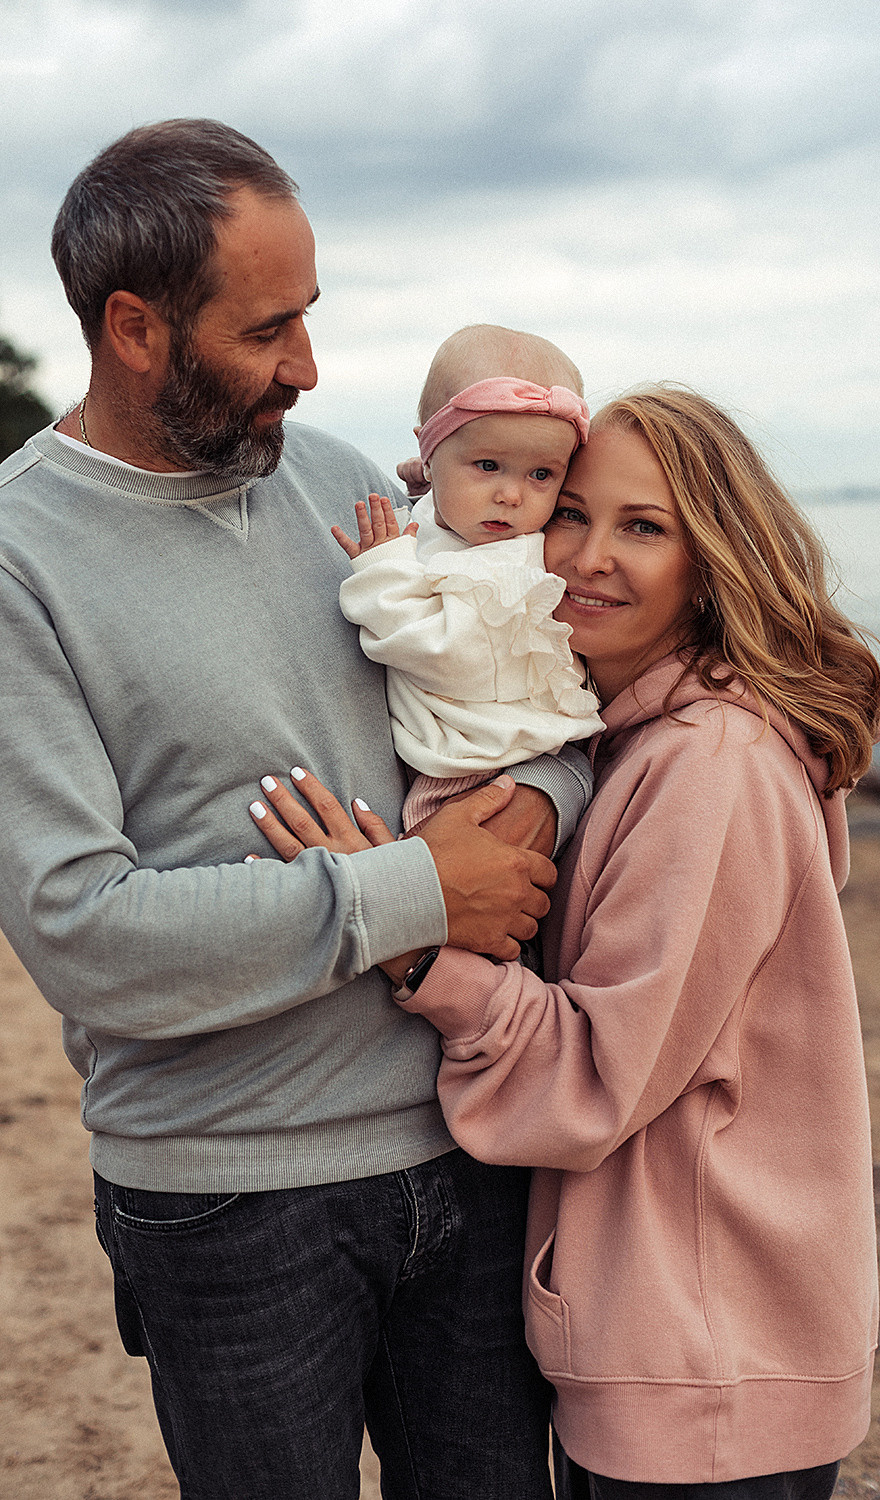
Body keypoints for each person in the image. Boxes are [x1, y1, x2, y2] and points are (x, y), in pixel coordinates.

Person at [0, 118, 596, 1499]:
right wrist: (417, 891)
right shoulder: (20, 558)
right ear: (135, 329)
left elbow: (537, 707)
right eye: (270, 332)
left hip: (471, 1142)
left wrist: (537, 808)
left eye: (311, 319)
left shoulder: (345, 487)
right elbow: (82, 932)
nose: (309, 370)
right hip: (224, 1203)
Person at [256, 386, 880, 1499]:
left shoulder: (710, 766)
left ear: (715, 559)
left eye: (643, 527)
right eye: (570, 513)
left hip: (703, 1362)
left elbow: (593, 1077)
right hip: (677, 1337)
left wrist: (408, 930)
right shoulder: (628, 734)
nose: (589, 558)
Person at [329, 323, 603, 831]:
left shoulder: (512, 568)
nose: (512, 496)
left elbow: (441, 651)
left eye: (541, 474)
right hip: (459, 752)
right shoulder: (460, 522)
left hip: (478, 768)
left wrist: (381, 570)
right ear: (430, 456)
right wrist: (430, 488)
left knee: (445, 876)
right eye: (487, 465)